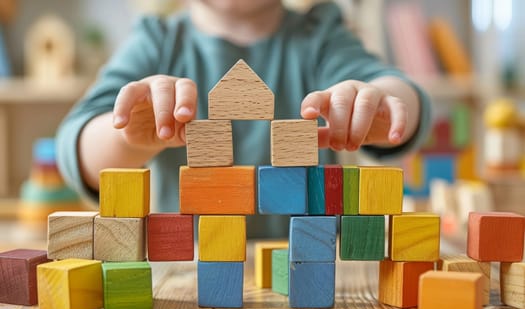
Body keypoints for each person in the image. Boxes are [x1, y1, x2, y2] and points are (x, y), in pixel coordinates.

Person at [56, 0, 431, 238]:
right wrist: (126, 137)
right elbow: (78, 144)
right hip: (184, 274)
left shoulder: (321, 33)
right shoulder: (157, 40)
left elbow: (399, 92)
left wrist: (386, 103)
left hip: (308, 263)